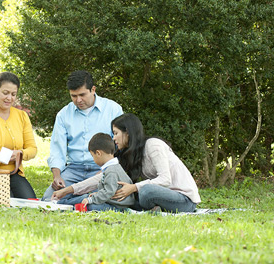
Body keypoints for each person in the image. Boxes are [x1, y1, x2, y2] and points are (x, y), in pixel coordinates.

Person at [53, 113, 201, 213]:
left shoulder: (153, 145)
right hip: (151, 199)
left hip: (182, 199)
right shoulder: (128, 154)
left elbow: (165, 179)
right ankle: (70, 203)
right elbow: (103, 177)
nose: (114, 139)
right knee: (113, 193)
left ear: (127, 133)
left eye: (116, 133)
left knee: (146, 191)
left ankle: (147, 209)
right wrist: (69, 190)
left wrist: (134, 187)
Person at [42, 70, 123, 201]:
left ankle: (78, 200)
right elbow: (57, 150)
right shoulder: (63, 114)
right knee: (48, 199)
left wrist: (106, 170)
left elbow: (120, 146)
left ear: (93, 89)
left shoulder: (113, 110)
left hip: (102, 168)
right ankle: (81, 200)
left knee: (107, 196)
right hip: (73, 169)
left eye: (82, 95)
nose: (78, 100)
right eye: (73, 96)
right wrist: (57, 176)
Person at [57, 133, 135, 211]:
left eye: (92, 156)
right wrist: (96, 195)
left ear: (98, 153)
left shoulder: (111, 171)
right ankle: (62, 203)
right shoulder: (114, 167)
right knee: (89, 198)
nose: (93, 159)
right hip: (113, 202)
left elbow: (109, 192)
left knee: (91, 206)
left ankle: (64, 206)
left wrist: (91, 199)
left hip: (117, 206)